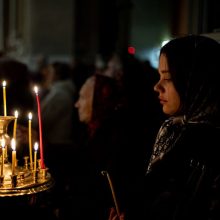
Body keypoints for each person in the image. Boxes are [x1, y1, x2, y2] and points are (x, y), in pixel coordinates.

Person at [109, 35, 220, 220]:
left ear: (196, 81)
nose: (157, 86)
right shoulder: (174, 130)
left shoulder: (205, 146)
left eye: (168, 78)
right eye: (159, 76)